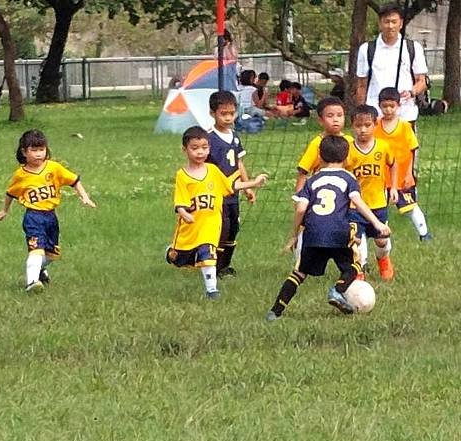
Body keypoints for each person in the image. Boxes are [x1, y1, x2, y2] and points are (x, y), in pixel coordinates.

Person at [266, 135, 390, 321]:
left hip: (313, 233)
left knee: (298, 273)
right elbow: (358, 202)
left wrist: (294, 235)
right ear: (347, 157)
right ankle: (337, 289)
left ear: (320, 158)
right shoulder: (348, 178)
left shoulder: (312, 180)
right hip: (339, 232)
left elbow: (300, 208)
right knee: (354, 267)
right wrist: (377, 223)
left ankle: (275, 311)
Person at [166, 126, 267, 299]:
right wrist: (184, 213)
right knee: (180, 258)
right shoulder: (182, 175)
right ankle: (171, 253)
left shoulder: (213, 171)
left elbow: (230, 186)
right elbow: (180, 201)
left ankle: (212, 290)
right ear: (185, 150)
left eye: (204, 148)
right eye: (195, 148)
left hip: (212, 223)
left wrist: (252, 183)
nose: (200, 152)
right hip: (191, 226)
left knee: (208, 252)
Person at [0, 129, 96, 292]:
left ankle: (38, 270)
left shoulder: (54, 168)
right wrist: (4, 210)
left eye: (41, 149)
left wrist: (84, 197)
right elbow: (10, 193)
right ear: (24, 152)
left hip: (51, 217)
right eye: (34, 150)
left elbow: (74, 180)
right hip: (33, 217)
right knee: (36, 250)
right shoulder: (21, 175)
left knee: (51, 255)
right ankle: (32, 282)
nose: (38, 154)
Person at [207, 91, 256, 277]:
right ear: (213, 113)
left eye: (232, 113)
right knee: (221, 229)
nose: (228, 118)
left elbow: (239, 163)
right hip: (217, 195)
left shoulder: (234, 137)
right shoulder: (209, 138)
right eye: (223, 114)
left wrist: (248, 186)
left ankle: (225, 265)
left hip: (234, 194)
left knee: (233, 229)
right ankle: (214, 268)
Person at [346, 105, 397, 281]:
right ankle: (358, 270)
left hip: (378, 203)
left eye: (367, 125)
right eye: (358, 125)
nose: (363, 130)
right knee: (357, 240)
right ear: (352, 126)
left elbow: (393, 164)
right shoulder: (348, 150)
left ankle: (383, 260)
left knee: (381, 240)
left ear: (375, 125)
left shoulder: (383, 147)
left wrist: (394, 188)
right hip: (355, 206)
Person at [356, 2, 428, 125]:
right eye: (386, 21)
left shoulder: (413, 48)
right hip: (376, 114)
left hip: (405, 114)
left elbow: (422, 81)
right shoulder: (367, 49)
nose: (390, 26)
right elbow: (361, 85)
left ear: (401, 23)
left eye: (394, 22)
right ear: (380, 23)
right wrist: (361, 113)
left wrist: (411, 92)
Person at [375, 87, 432, 241]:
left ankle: (424, 234)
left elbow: (413, 150)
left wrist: (408, 174)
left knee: (410, 207)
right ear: (379, 106)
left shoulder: (405, 127)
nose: (388, 110)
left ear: (398, 106)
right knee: (376, 208)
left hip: (401, 177)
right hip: (381, 178)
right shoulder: (375, 127)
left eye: (392, 106)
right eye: (384, 106)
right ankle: (377, 234)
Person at [294, 97, 353, 193]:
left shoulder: (351, 141)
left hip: (346, 193)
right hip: (322, 193)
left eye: (339, 115)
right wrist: (299, 198)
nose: (335, 119)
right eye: (330, 116)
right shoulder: (316, 143)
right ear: (320, 120)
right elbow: (303, 172)